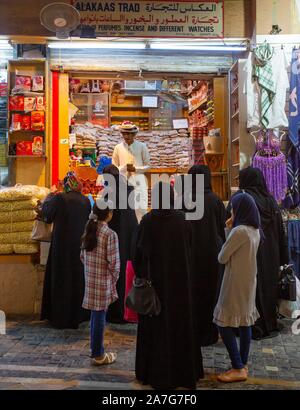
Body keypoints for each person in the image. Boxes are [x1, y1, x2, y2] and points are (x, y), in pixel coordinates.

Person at [134, 182, 204, 390]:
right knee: (180, 326)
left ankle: (154, 372)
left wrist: (142, 275)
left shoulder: (148, 221)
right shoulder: (183, 220)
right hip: (180, 285)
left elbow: (138, 254)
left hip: (155, 287)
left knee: (156, 329)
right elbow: (190, 250)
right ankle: (183, 373)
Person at [228, 167, 289, 340]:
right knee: (268, 287)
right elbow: (281, 232)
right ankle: (268, 322)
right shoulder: (271, 201)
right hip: (271, 254)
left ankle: (250, 325)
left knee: (249, 291)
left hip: (248, 254)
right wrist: (283, 259)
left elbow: (229, 226)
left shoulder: (241, 199)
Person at [214, 192, 261, 383]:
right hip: (249, 282)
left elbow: (222, 257)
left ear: (240, 209)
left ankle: (238, 366)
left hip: (234, 283)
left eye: (233, 208)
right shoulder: (254, 230)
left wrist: (228, 230)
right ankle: (243, 363)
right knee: (244, 321)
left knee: (222, 322)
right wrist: (230, 230)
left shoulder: (239, 231)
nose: (231, 211)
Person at [182, 165, 226, 347]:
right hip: (211, 256)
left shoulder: (184, 200)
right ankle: (209, 333)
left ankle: (190, 332)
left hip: (189, 255)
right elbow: (222, 229)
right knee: (210, 294)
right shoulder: (215, 200)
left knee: (191, 293)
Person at [40, 172, 91, 329]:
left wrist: (48, 197)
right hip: (79, 247)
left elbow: (47, 216)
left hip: (61, 248)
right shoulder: (85, 200)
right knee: (77, 279)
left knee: (61, 279)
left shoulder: (59, 198)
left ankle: (60, 317)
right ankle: (78, 316)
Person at [81, 199, 120, 366]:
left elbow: (82, 256)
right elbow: (115, 264)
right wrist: (113, 279)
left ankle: (95, 349)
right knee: (99, 316)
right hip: (103, 280)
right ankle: (98, 354)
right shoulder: (110, 234)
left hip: (90, 278)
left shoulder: (88, 229)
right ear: (108, 215)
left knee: (95, 315)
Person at [102, 164, 138, 324]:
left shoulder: (109, 192)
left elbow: (102, 214)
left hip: (114, 238)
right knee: (126, 274)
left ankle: (115, 313)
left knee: (114, 273)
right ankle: (127, 311)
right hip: (129, 237)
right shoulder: (128, 189)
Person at [112, 121, 150, 222]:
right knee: (125, 210)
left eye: (129, 133)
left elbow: (148, 166)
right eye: (124, 133)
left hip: (138, 181)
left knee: (140, 209)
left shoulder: (142, 146)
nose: (126, 136)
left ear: (134, 134)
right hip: (123, 182)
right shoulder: (118, 148)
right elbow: (114, 167)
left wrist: (136, 169)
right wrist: (123, 168)